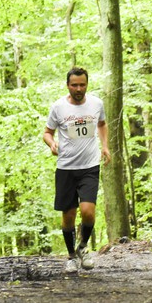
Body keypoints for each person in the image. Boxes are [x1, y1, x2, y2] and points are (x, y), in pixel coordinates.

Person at [43, 66, 111, 273]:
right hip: (66, 167)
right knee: (69, 215)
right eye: (74, 85)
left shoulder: (96, 103)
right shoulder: (58, 107)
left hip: (90, 166)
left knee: (88, 212)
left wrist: (105, 146)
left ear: (87, 84)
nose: (79, 89)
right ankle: (71, 256)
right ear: (68, 85)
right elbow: (47, 132)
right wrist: (52, 144)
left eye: (82, 84)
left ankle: (83, 247)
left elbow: (102, 124)